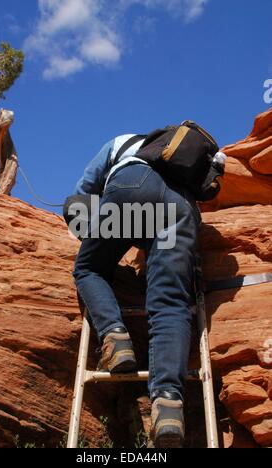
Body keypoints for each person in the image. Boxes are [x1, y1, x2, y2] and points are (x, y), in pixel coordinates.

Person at [67, 133, 205, 448]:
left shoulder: (120, 143)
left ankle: (116, 339)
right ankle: (168, 406)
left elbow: (83, 193)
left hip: (133, 188)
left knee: (89, 267)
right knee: (171, 304)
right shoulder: (179, 163)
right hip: (181, 208)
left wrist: (88, 234)